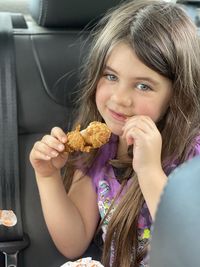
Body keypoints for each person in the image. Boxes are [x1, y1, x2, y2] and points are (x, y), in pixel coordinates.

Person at [29, 0, 200, 266]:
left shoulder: (193, 155)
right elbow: (73, 243)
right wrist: (47, 175)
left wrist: (150, 172)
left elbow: (193, 244)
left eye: (143, 86)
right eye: (110, 76)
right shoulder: (99, 146)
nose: (120, 99)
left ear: (176, 94)